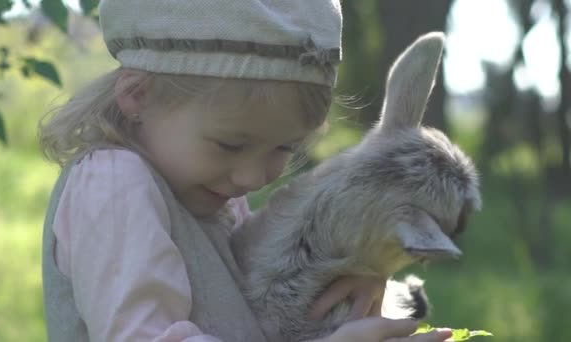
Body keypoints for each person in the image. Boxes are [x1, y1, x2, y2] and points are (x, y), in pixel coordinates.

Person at [39, 0, 453, 341]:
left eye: (284, 148)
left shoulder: (215, 194)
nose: (253, 178)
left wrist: (352, 283)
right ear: (137, 96)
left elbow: (253, 307)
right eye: (231, 145)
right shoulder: (114, 183)